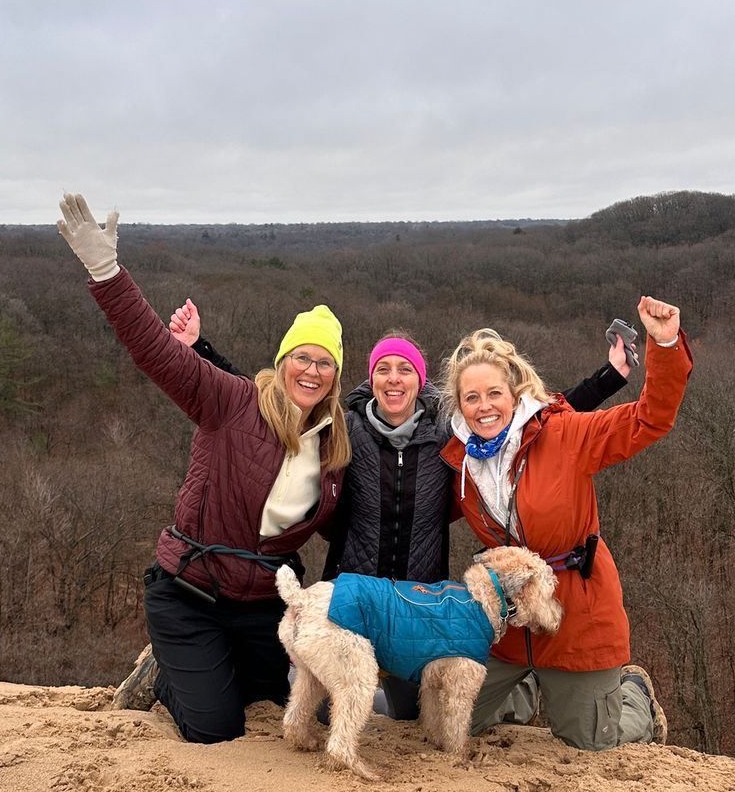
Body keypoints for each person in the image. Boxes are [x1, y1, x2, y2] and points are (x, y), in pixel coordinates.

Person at [117, 299, 633, 722]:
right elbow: (266, 403)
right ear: (369, 377)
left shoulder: (450, 443)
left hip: (417, 607)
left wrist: (609, 377)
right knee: (325, 708)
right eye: (382, 368)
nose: (393, 378)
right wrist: (200, 351)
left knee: (411, 716)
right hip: (353, 598)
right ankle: (180, 671)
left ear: (419, 380)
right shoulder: (342, 432)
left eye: (404, 369)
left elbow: (532, 423)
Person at [56, 194, 351, 743]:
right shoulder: (232, 402)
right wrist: (106, 272)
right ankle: (169, 677)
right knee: (216, 729)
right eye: (302, 358)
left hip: (264, 606)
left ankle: (206, 675)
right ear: (282, 362)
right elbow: (154, 352)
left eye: (325, 363)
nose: (311, 371)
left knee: (268, 700)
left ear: (335, 377)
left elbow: (359, 522)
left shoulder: (333, 448)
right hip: (192, 592)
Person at [439, 297, 691, 749]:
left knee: (592, 743)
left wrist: (665, 344)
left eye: (494, 393)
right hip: (509, 629)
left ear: (515, 394)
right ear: (459, 405)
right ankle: (522, 687)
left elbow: (649, 418)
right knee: (448, 721)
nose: (484, 407)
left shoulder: (564, 435)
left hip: (578, 618)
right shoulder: (460, 464)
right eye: (471, 397)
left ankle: (634, 700)